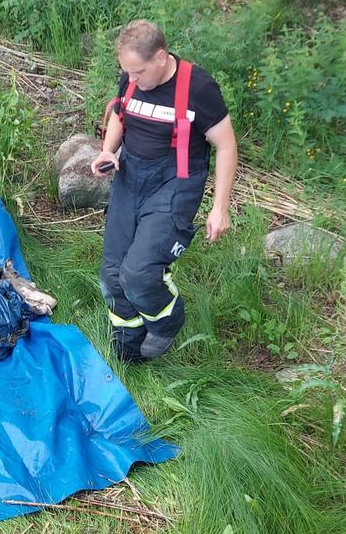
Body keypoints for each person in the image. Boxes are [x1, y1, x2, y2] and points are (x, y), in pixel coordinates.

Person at [89, 20, 239, 362]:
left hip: (175, 183)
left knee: (138, 273)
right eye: (127, 72)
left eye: (138, 71)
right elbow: (119, 114)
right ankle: (128, 345)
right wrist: (108, 151)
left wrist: (220, 207)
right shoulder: (131, 76)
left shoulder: (198, 88)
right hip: (130, 177)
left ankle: (167, 321)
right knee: (112, 276)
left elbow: (227, 146)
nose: (133, 79)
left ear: (160, 57)